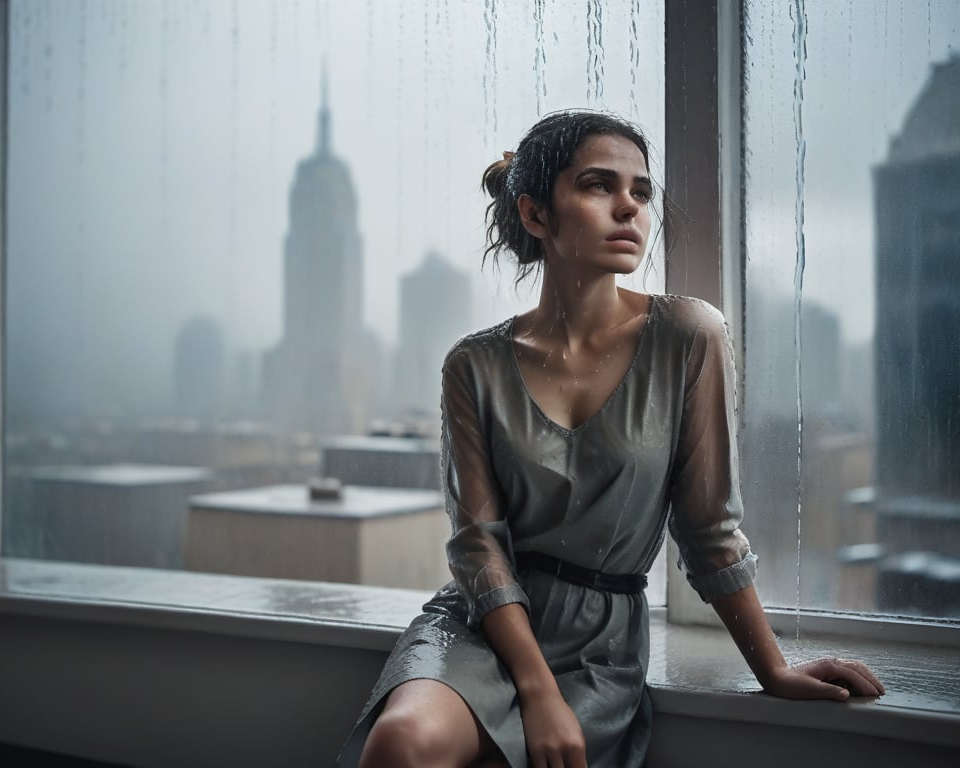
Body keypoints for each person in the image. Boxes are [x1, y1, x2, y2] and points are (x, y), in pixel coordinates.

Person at [337, 110, 884, 768]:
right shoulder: (472, 365)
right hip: (484, 624)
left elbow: (710, 530)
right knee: (399, 744)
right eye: (599, 186)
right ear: (537, 215)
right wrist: (536, 690)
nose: (629, 208)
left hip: (600, 644)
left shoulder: (690, 335)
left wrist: (773, 670)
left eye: (642, 192)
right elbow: (478, 546)